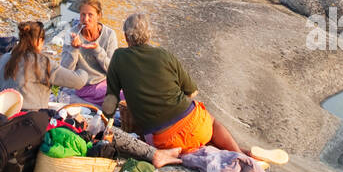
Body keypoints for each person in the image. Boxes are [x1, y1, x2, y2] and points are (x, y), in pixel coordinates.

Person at [0, 20, 181, 168]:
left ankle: (152, 153)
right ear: (39, 42)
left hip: (6, 124)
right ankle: (154, 154)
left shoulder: (4, 59)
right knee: (100, 128)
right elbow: (78, 81)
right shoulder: (40, 62)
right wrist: (84, 69)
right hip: (34, 128)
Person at [101, 11, 271, 158]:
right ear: (149, 35)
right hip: (197, 128)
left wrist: (105, 122)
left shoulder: (118, 57)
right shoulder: (163, 55)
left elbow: (111, 99)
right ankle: (239, 154)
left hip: (163, 140)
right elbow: (192, 91)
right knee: (211, 123)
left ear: (126, 36)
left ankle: (238, 154)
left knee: (188, 137)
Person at [58, 0, 119, 107]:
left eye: (90, 15)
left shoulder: (109, 34)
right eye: (83, 15)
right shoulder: (71, 34)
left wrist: (97, 50)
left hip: (104, 84)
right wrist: (74, 49)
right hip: (83, 87)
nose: (85, 19)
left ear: (98, 16)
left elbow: (112, 70)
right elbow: (65, 71)